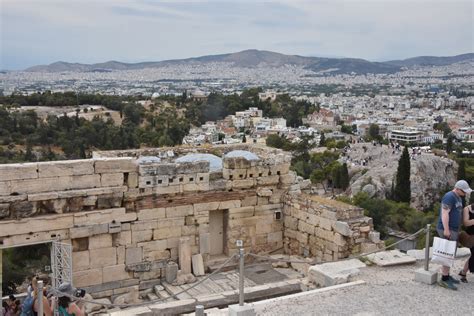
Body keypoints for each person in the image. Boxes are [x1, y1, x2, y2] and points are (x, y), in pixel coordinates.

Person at [436, 180, 473, 290]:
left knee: (451, 253)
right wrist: (446, 229)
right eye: (464, 191)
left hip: (454, 229)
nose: (465, 193)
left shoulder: (458, 197)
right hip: (447, 229)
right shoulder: (449, 196)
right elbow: (445, 213)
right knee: (447, 253)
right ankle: (444, 279)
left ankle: (446, 276)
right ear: (457, 189)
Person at [459, 203, 474, 282]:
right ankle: (463, 272)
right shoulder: (467, 209)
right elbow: (465, 223)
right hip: (471, 237)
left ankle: (463, 272)